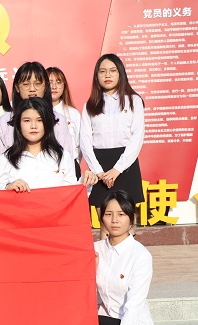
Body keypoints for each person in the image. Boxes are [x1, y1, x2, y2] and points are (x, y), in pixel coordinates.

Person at [0, 97, 97, 325]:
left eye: (39, 120)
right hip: (20, 245)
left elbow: (71, 197)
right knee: (24, 305)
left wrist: (86, 184)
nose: (33, 126)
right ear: (17, 125)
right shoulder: (8, 158)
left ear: (48, 124)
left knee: (52, 304)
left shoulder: (61, 156)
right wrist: (9, 188)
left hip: (54, 243)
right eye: (26, 120)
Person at [94, 190, 155, 325]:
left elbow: (133, 308)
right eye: (108, 214)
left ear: (131, 219)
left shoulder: (140, 256)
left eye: (121, 214)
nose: (114, 220)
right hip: (106, 322)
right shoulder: (95, 249)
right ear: (101, 217)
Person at [80, 54, 145, 238]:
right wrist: (99, 172)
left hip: (126, 164)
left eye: (112, 71)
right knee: (105, 223)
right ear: (96, 76)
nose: (107, 75)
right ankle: (104, 256)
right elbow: (85, 140)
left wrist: (117, 169)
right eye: (102, 71)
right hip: (99, 164)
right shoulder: (90, 105)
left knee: (126, 222)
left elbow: (137, 138)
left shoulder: (134, 101)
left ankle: (127, 255)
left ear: (120, 73)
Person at [0, 62, 73, 168]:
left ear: (46, 86)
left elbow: (67, 161)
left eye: (38, 84)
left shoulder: (59, 120)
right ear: (17, 87)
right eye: (26, 84)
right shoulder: (5, 121)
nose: (32, 89)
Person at [46, 67, 82, 179]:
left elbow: (79, 144)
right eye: (50, 82)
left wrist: (74, 163)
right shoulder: (36, 113)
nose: (54, 86)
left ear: (64, 85)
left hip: (70, 168)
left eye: (58, 82)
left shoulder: (73, 113)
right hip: (45, 169)